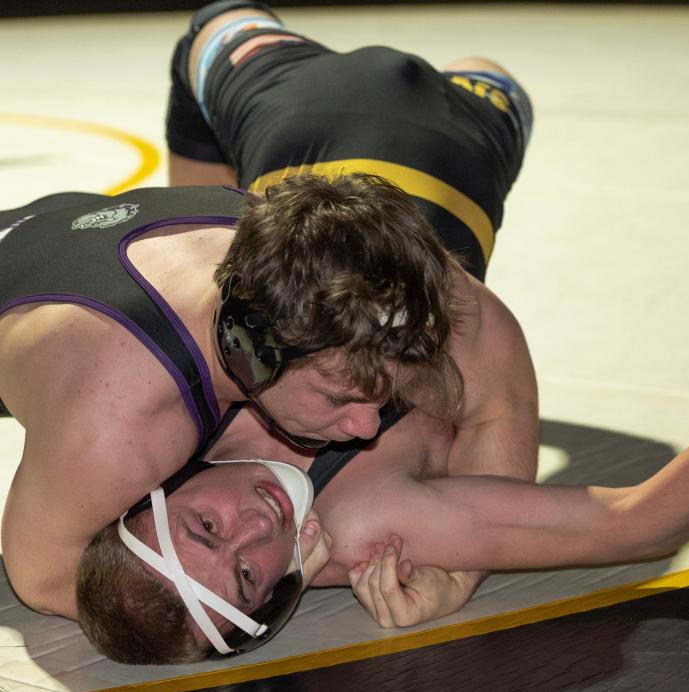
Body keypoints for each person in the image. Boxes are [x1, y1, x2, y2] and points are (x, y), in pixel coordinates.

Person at [82, 249, 689, 663]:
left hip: (338, 221)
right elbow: (643, 521)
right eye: (249, 577)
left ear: (154, 493)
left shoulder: (154, 412)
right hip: (431, 203)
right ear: (278, 595)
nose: (255, 530)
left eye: (204, 525)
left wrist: (468, 575)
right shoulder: (363, 518)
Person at [0, 0, 538, 640]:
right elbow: (43, 575)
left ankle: (485, 86)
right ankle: (481, 82)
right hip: (297, 121)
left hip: (414, 130)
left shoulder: (435, 298)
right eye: (348, 397)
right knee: (221, 28)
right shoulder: (119, 407)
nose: (361, 425)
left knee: (484, 91)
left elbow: (41, 577)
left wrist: (456, 565)